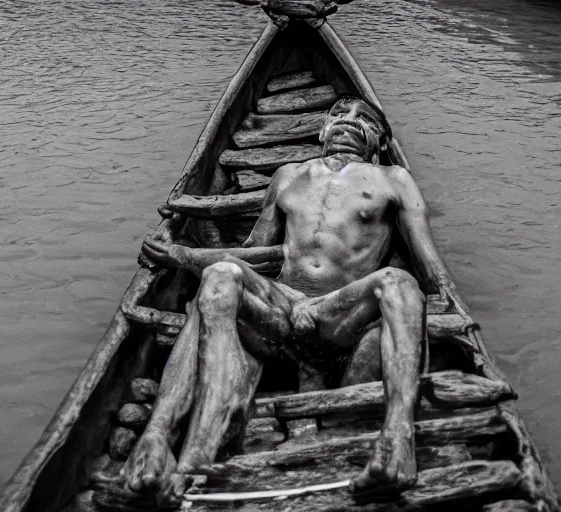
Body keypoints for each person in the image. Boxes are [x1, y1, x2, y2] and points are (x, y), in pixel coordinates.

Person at [99, 95, 454, 508]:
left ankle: (397, 439)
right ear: (322, 130)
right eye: (339, 113)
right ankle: (173, 437)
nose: (348, 121)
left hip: (340, 314)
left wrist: (452, 312)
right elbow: (257, 253)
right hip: (283, 308)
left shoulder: (394, 179)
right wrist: (186, 256)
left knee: (398, 281)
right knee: (221, 275)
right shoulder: (288, 175)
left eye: (364, 118)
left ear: (378, 139)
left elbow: (430, 267)